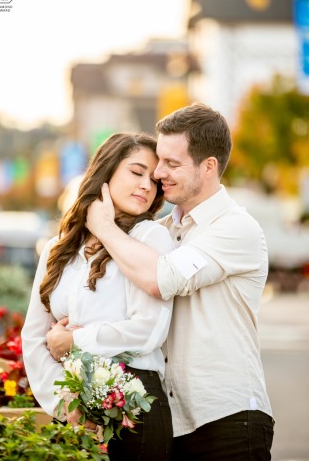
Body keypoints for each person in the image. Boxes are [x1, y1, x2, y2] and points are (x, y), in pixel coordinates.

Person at [83, 103, 275, 460]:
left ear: (209, 166)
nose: (158, 173)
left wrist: (105, 227)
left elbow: (162, 279)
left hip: (229, 421)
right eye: (159, 160)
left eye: (172, 163)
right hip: (172, 424)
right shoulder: (159, 232)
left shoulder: (236, 228)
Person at [21, 133, 175, 461]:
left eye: (154, 180)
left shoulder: (151, 238)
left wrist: (74, 340)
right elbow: (34, 337)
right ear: (105, 173)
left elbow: (148, 330)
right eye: (136, 172)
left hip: (137, 409)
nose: (147, 185)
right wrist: (66, 399)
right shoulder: (57, 249)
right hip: (71, 412)